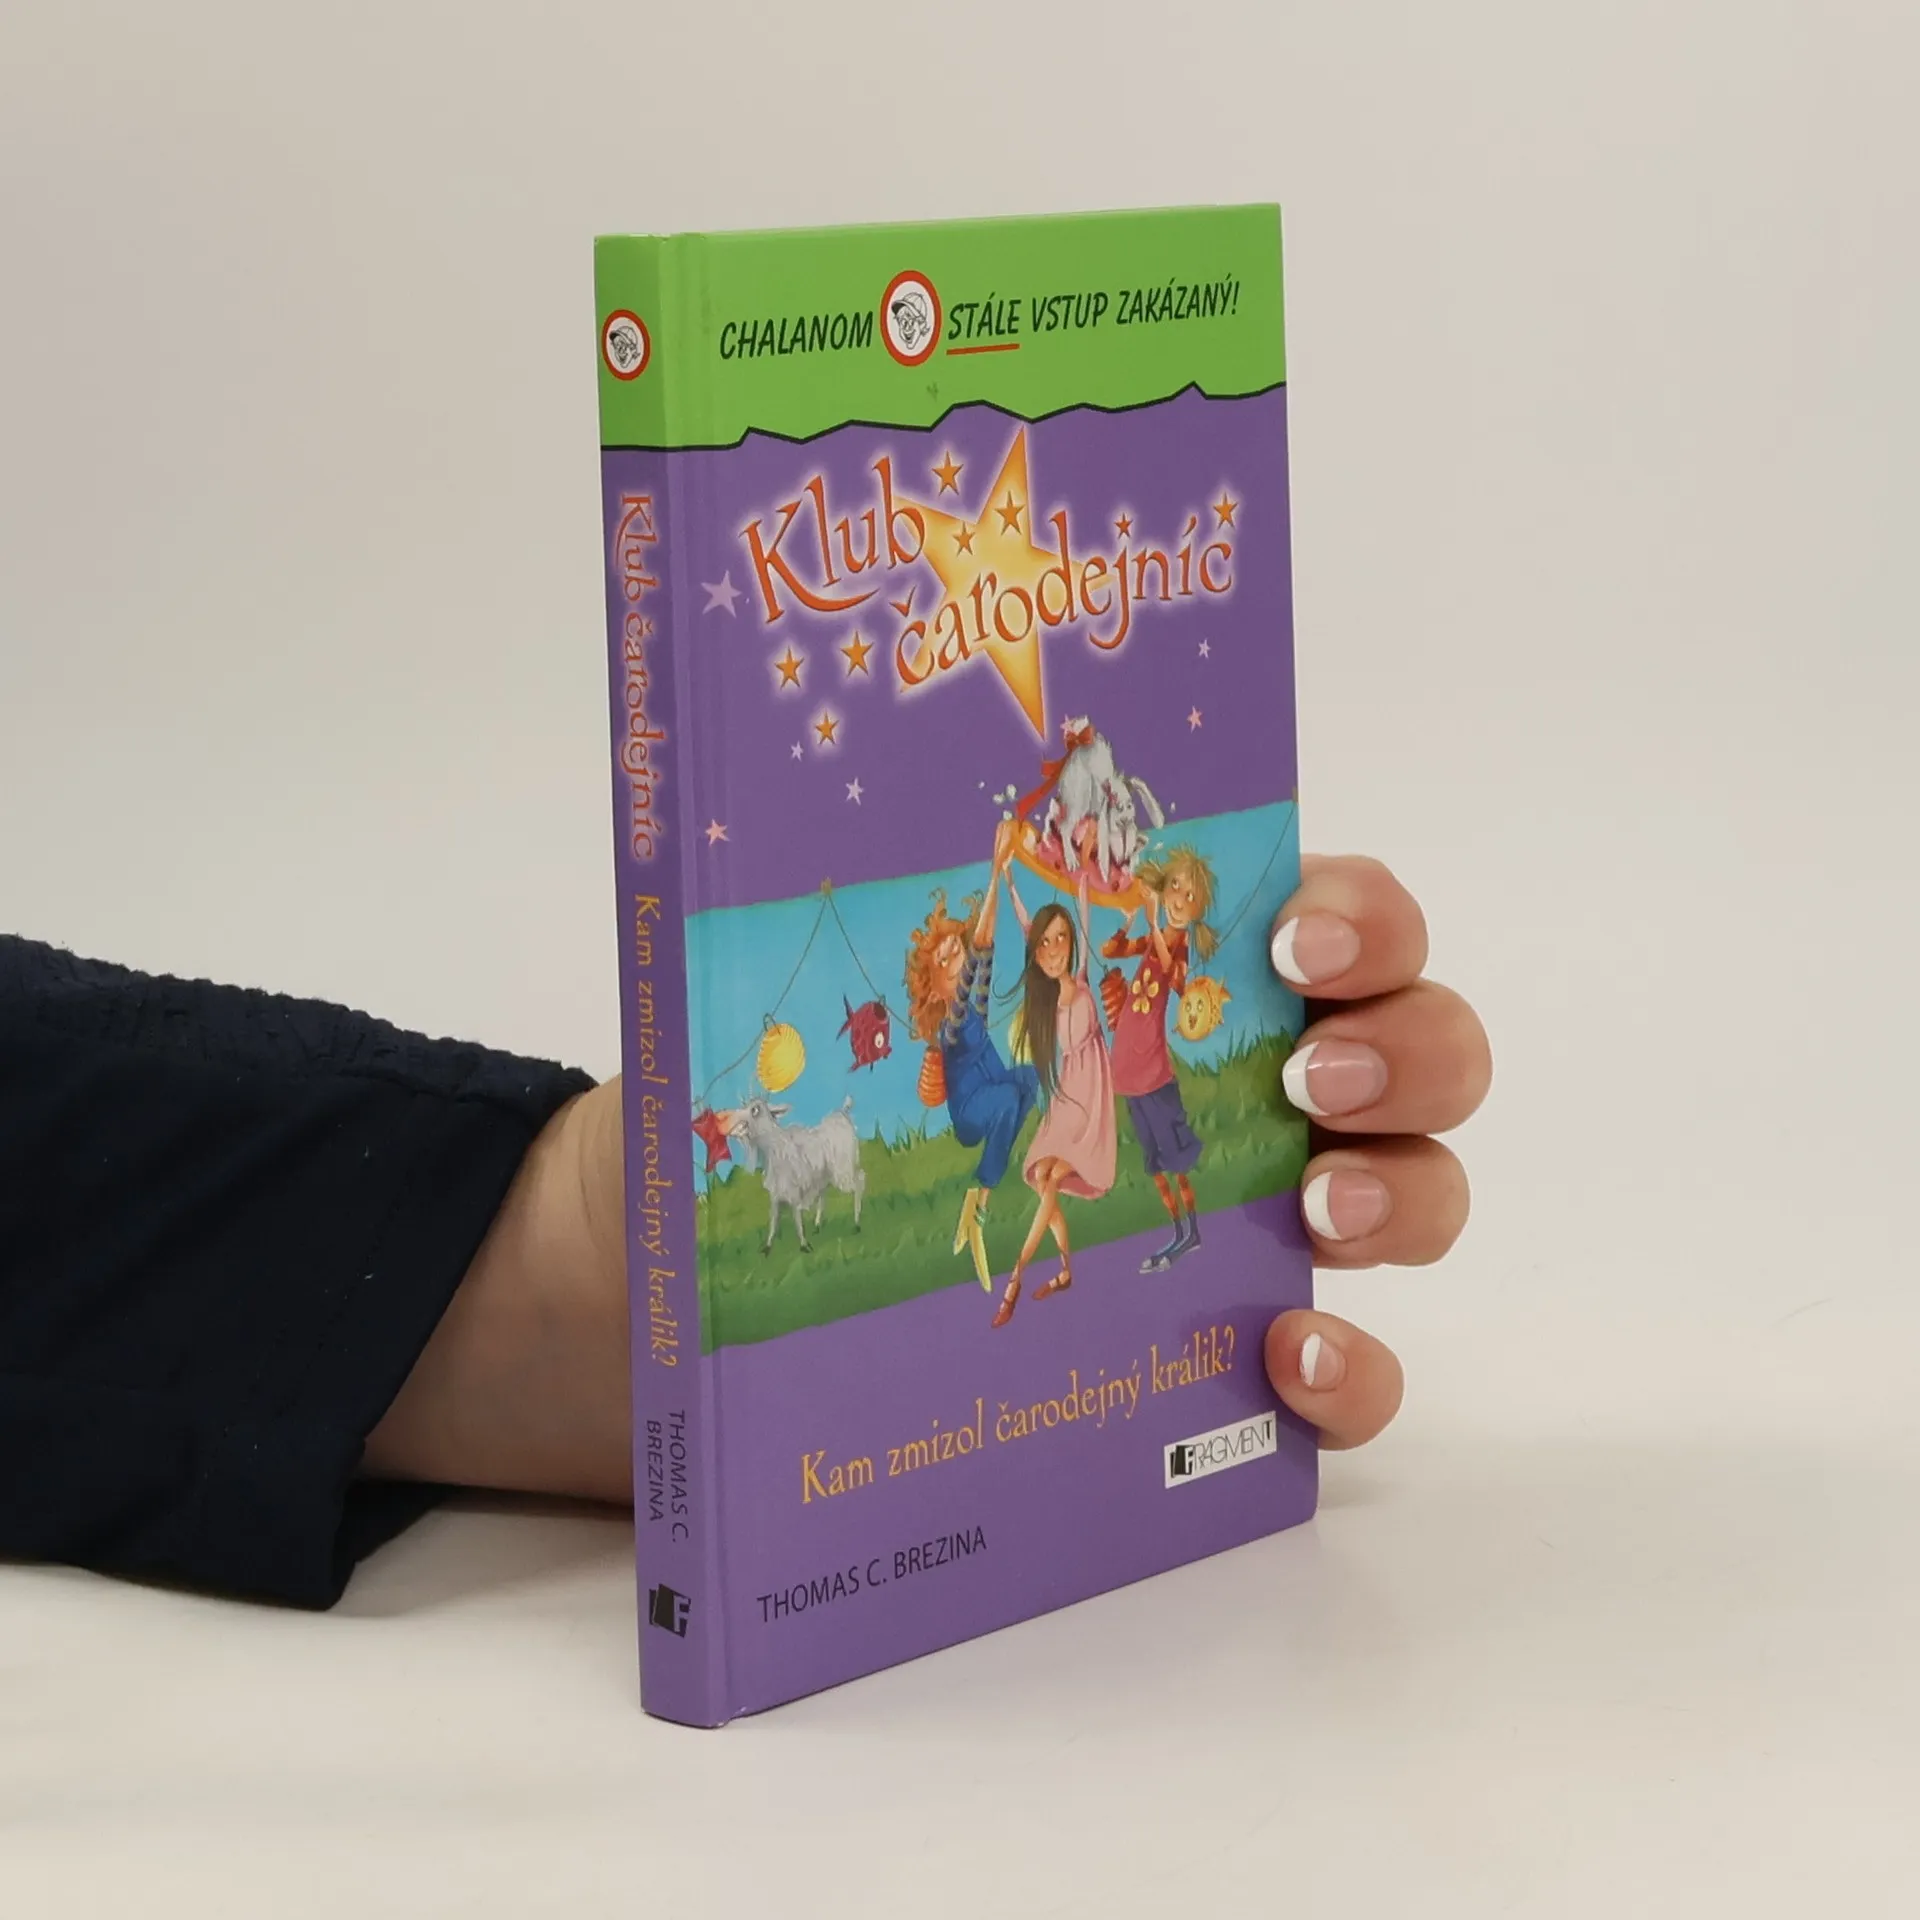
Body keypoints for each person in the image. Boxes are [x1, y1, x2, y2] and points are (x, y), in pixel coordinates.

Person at [0, 854, 1490, 1608]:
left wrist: (561, 1251)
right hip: (1025, 1095)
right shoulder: (1007, 997)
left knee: (1110, 1170)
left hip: (1086, 1095)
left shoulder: (1084, 982)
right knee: (1033, 1172)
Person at [902, 819, 1040, 1288]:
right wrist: (994, 872)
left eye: (952, 951)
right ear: (933, 988)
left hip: (995, 1090)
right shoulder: (952, 1023)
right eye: (942, 962)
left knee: (1029, 1079)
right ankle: (978, 1204)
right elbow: (976, 955)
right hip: (970, 1113)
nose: (952, 961)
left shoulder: (974, 1007)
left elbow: (984, 952)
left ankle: (979, 1200)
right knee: (1007, 1099)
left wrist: (999, 878)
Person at [993, 870, 1114, 1327]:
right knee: (1044, 1176)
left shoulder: (1081, 981)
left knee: (1053, 1176)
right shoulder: (1046, 992)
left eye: (1060, 938)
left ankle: (1015, 1278)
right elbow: (1027, 926)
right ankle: (1064, 1270)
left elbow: (1083, 914)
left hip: (1091, 1097)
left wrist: (1081, 869)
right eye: (1045, 943)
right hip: (1067, 1095)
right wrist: (1009, 882)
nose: (1053, 948)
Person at [1100, 845, 1219, 1271]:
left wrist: (1153, 925)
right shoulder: (1153, 940)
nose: (1180, 901)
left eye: (1190, 897)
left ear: (1198, 910)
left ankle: (1192, 1232)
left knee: (1175, 1157)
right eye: (1176, 888)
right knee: (1153, 1161)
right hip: (1128, 1069)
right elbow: (1110, 950)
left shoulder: (1178, 944)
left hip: (1153, 1071)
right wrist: (1130, 920)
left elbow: (1177, 981)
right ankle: (1176, 1232)